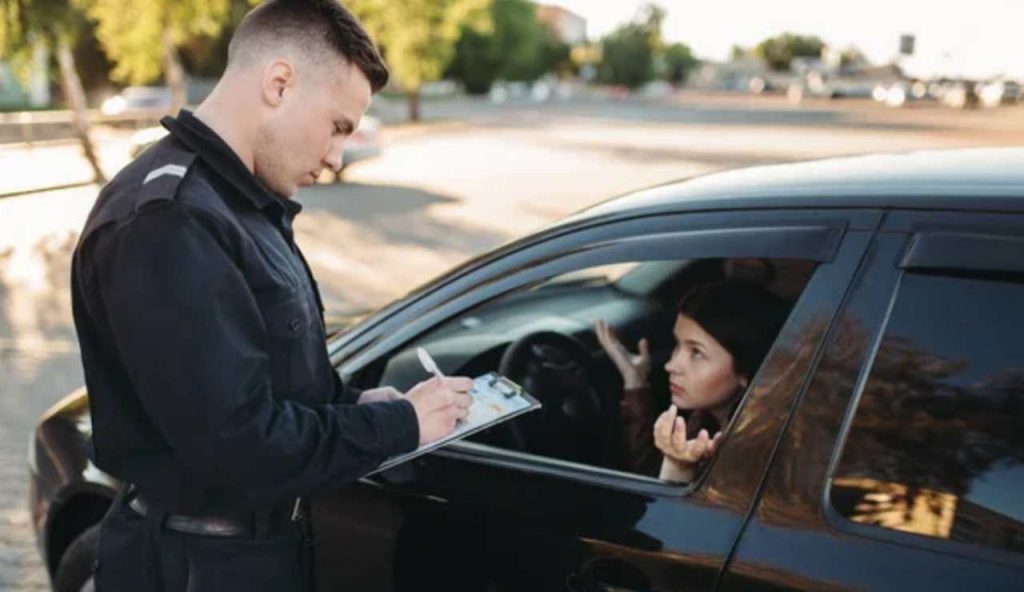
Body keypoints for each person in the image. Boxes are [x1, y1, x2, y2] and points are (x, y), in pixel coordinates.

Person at [70, 1, 472, 590]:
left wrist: (356, 406)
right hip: (195, 568)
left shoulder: (239, 202)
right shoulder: (170, 223)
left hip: (249, 554)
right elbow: (239, 446)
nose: (337, 156)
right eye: (337, 126)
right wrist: (400, 426)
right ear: (279, 83)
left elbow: (268, 378)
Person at [594, 279, 790, 482]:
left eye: (696, 352)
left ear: (747, 371)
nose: (671, 365)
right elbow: (650, 474)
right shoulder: (705, 419)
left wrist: (679, 468)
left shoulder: (757, 458)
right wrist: (635, 381)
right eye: (678, 345)